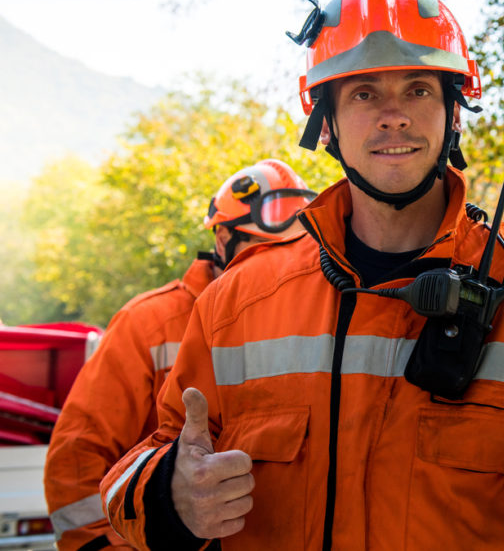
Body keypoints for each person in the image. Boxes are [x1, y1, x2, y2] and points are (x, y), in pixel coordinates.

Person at [101, 0, 504, 550]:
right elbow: (152, 454)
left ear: (455, 111)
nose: (393, 115)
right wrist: (169, 494)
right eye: (364, 93)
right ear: (323, 121)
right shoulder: (236, 304)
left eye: (419, 89)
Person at [45, 159, 316, 550]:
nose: (275, 272)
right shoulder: (148, 323)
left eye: (291, 255)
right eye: (262, 252)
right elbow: (77, 458)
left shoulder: (309, 329)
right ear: (223, 240)